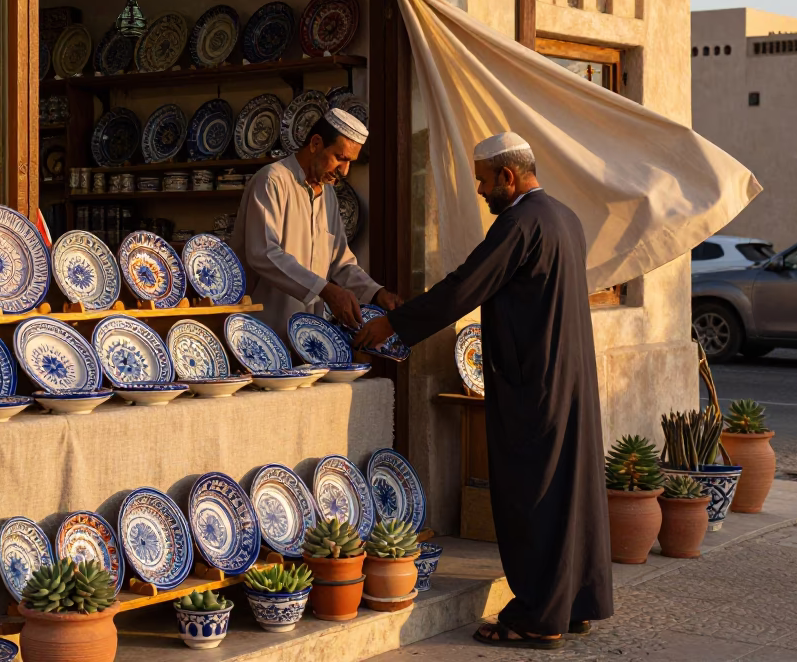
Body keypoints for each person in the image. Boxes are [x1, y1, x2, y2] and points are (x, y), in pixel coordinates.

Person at [354, 131, 612, 650]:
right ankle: (575, 603)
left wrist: (394, 325)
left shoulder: (519, 223)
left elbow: (464, 285)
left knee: (531, 496)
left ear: (508, 177)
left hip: (533, 385)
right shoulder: (564, 217)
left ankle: (539, 617)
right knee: (568, 492)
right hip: (568, 379)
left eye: (484, 181)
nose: (481, 191)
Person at [230, 107, 402, 339]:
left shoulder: (328, 194)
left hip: (310, 336)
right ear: (316, 143)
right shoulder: (272, 180)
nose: (345, 170)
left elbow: (340, 262)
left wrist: (377, 293)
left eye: (350, 162)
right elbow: (264, 253)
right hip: (264, 333)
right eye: (340, 158)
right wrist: (326, 290)